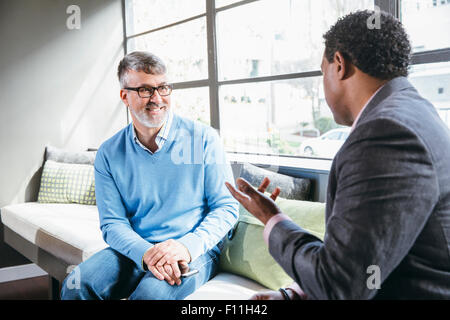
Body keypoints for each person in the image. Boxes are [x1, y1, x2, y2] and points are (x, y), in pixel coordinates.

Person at [226, 10, 450, 299]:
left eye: (323, 71)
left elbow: (341, 285)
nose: (323, 85)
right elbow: (372, 253)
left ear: (339, 64)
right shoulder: (414, 112)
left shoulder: (385, 133)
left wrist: (271, 219)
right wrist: (293, 295)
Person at [61, 51, 239, 300]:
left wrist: (186, 247)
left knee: (150, 296)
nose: (157, 98)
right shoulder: (109, 153)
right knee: (75, 286)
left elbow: (226, 207)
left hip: (193, 249)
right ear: (125, 96)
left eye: (163, 88)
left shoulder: (203, 139)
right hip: (136, 249)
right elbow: (113, 224)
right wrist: (147, 253)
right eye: (145, 90)